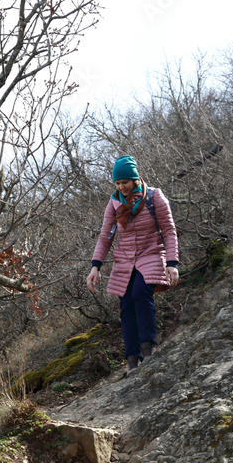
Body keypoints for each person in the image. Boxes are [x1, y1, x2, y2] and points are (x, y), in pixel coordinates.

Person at [86, 155, 180, 375]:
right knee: (126, 305)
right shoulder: (114, 202)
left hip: (151, 254)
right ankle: (132, 360)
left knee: (140, 293)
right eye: (117, 183)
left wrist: (172, 263)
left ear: (135, 179)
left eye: (124, 183)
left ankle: (149, 349)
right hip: (124, 260)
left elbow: (168, 230)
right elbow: (105, 237)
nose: (121, 187)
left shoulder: (154, 197)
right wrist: (95, 266)